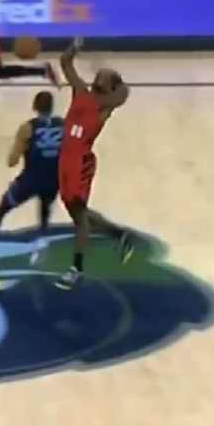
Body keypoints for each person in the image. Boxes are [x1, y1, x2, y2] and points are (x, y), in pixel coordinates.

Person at [55, 37, 134, 290]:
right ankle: (118, 234)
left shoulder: (105, 106)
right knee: (78, 213)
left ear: (109, 87)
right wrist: (74, 47)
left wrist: (116, 82)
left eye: (105, 76)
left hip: (81, 161)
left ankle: (76, 268)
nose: (100, 74)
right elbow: (65, 62)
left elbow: (124, 94)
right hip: (65, 158)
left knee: (79, 216)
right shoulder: (81, 91)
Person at [0, 90, 61, 268]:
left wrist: (19, 149)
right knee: (45, 206)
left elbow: (12, 161)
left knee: (1, 210)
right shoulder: (63, 125)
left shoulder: (27, 127)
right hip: (54, 179)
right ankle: (42, 238)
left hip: (31, 180)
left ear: (35, 106)